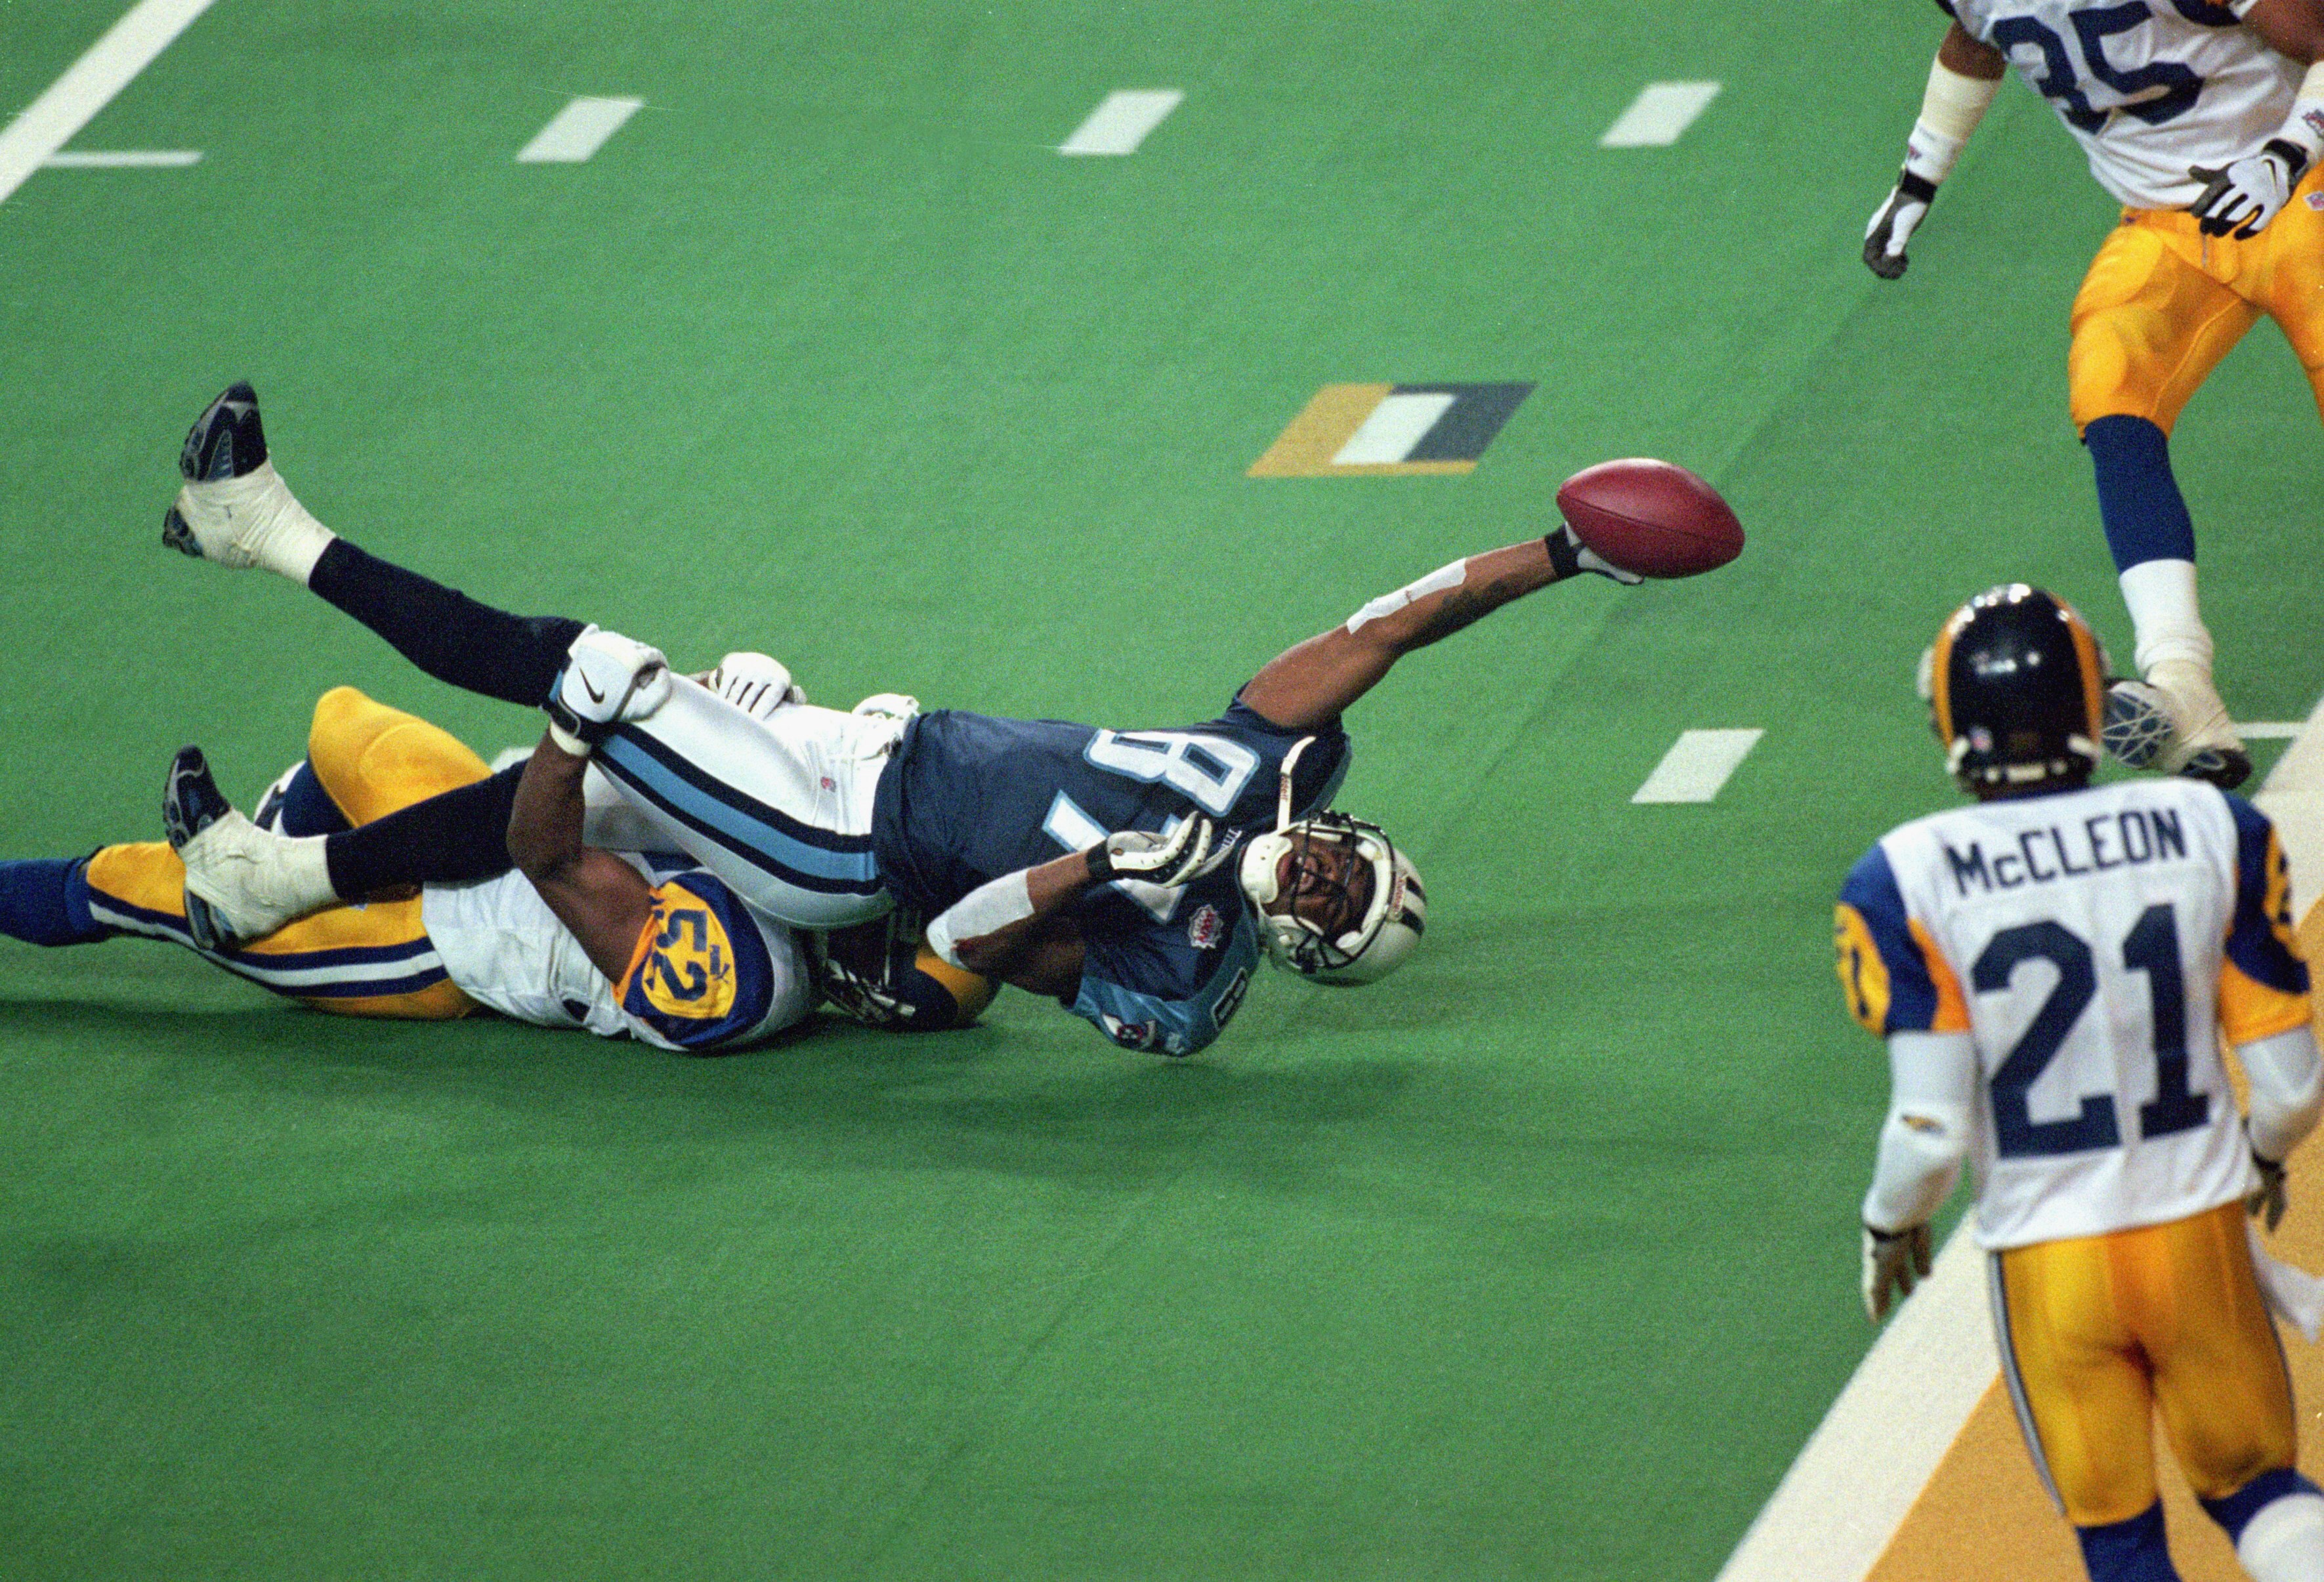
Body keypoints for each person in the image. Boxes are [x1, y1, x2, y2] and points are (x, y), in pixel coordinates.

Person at [150, 383, 1642, 1056]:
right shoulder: (1265, 765)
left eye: (1328, 908)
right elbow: (1388, 627)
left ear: (1302, 950)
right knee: (566, 797)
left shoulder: (1181, 966)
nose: (1314, 875)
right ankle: (274, 877)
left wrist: (1099, 870)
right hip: (871, 748)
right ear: (1344, 826)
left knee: (585, 677)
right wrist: (1560, 553)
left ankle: (265, 530)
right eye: (1343, 863)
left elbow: (969, 943)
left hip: (840, 838)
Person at [1838, 584, 2324, 1581]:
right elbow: (2290, 1087)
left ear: (1949, 722)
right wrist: (2262, 1158)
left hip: (2050, 1261)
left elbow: (1928, 1134)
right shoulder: (2208, 825)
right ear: (2096, 705)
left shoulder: (1906, 872)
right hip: (2196, 1232)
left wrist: (1890, 1223)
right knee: (2261, 1494)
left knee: (2122, 1541)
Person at [1862, 0, 2324, 789]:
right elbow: (1977, 38)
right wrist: (1918, 177)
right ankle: (2182, 682)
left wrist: (2284, 153)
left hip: (2301, 186)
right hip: (2167, 223)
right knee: (2113, 397)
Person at [0, 685, 990, 1050]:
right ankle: (290, 837)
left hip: (445, 936)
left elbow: (543, 850)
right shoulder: (833, 843)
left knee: (142, 885)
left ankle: (273, 865)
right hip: (473, 810)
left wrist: (592, 721)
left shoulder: (744, 978)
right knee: (340, 719)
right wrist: (738, 710)